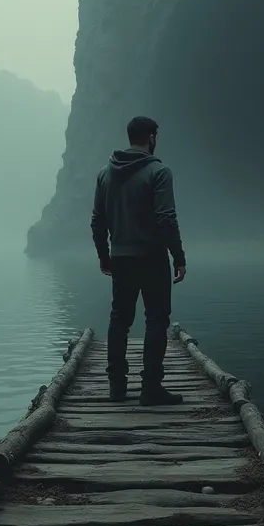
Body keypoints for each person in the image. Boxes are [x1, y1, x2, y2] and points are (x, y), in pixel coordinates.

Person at [91, 116, 187, 405]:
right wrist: (178, 256)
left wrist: (104, 255)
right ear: (152, 137)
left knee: (119, 319)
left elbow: (98, 221)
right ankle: (151, 389)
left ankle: (117, 387)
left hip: (121, 258)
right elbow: (166, 218)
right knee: (156, 319)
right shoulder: (159, 172)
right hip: (153, 257)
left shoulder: (105, 174)